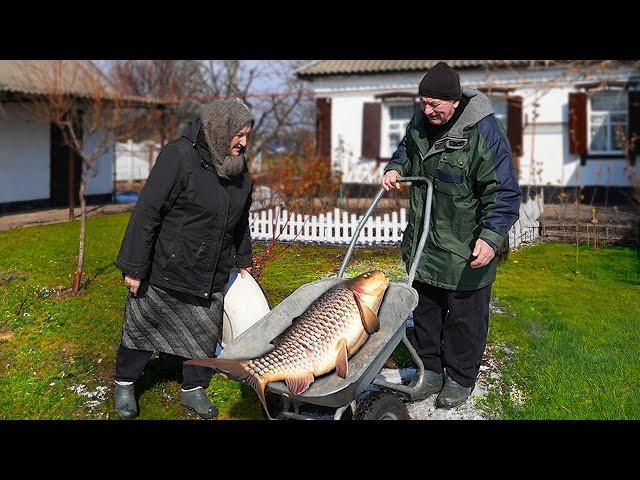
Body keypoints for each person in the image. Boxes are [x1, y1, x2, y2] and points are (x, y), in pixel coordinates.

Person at [380, 62, 522, 409]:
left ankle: (459, 377)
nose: (427, 110)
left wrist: (490, 237)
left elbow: (504, 191)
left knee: (464, 318)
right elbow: (407, 152)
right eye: (423, 102)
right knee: (425, 309)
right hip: (424, 241)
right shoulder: (421, 120)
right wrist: (396, 167)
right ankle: (430, 370)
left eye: (434, 105)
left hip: (464, 245)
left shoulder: (483, 131)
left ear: (454, 100)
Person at [113, 98, 255, 419]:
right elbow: (148, 210)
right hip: (166, 267)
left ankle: (194, 389)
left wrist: (243, 258)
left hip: (209, 273)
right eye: (239, 134)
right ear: (220, 129)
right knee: (142, 328)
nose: (244, 143)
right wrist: (135, 266)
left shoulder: (239, 169)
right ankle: (125, 382)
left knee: (201, 334)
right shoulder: (179, 155)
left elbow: (241, 219)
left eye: (247, 135)